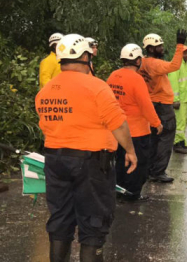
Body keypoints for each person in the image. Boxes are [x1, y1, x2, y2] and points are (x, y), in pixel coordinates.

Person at [35, 34, 137, 262]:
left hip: (55, 162)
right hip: (90, 164)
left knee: (60, 218)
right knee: (93, 221)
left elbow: (46, 125)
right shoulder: (96, 87)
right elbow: (118, 124)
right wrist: (130, 150)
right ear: (85, 56)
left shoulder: (46, 91)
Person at [107, 44, 164, 202]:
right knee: (137, 164)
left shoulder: (113, 76)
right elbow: (146, 105)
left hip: (117, 130)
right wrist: (156, 123)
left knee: (120, 162)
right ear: (138, 60)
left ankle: (119, 190)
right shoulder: (136, 79)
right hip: (137, 132)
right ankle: (132, 194)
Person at [139, 30, 187, 183]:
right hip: (163, 105)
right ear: (151, 49)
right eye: (159, 46)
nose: (162, 49)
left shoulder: (142, 62)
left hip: (150, 103)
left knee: (153, 137)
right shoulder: (156, 64)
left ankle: (149, 169)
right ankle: (159, 171)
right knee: (166, 137)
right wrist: (180, 45)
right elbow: (175, 65)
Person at [168, 45, 187, 154]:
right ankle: (177, 144)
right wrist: (175, 100)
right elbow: (173, 84)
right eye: (184, 53)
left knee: (182, 123)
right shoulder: (176, 66)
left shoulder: (185, 65)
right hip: (179, 100)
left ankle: (182, 142)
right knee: (179, 124)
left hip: (184, 99)